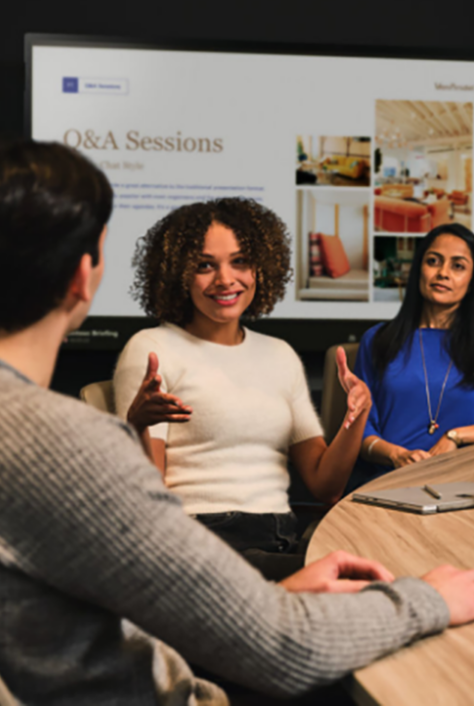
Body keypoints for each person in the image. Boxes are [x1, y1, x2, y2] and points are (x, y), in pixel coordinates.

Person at [0, 139, 474, 706]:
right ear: (85, 274)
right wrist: (427, 599)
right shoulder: (72, 448)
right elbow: (281, 650)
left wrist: (272, 598)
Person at [114, 198, 370, 580]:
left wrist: (358, 414)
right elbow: (148, 506)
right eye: (204, 265)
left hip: (279, 538)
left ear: (261, 269)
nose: (225, 279)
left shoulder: (279, 355)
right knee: (365, 580)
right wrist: (136, 427)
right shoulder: (152, 349)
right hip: (199, 543)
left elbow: (324, 486)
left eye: (240, 261)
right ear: (176, 275)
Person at [349, 223, 474, 488]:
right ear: (419, 269)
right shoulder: (377, 340)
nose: (443, 273)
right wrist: (396, 454)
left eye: (458, 266)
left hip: (462, 486)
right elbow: (360, 432)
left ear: (473, 280)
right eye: (433, 261)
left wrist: (456, 436)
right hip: (386, 483)